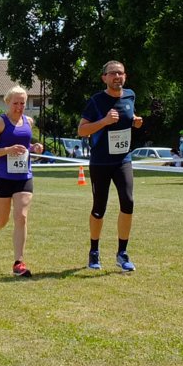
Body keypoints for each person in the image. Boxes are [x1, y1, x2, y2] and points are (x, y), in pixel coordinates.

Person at [77, 60, 143, 272]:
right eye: (112, 73)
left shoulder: (130, 96)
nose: (117, 77)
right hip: (101, 162)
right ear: (104, 77)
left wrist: (135, 121)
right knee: (99, 207)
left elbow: (128, 117)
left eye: (120, 73)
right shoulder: (96, 101)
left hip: (123, 160)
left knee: (128, 201)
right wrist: (104, 121)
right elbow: (82, 130)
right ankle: (94, 251)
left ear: (125, 76)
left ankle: (122, 253)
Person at [0, 86, 43, 278]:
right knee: (2, 220)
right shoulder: (0, 122)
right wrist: (7, 150)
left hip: (23, 175)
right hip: (1, 176)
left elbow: (25, 146)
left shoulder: (28, 122)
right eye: (15, 103)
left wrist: (34, 147)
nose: (19, 107)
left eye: (23, 103)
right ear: (8, 102)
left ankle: (19, 262)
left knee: (21, 216)